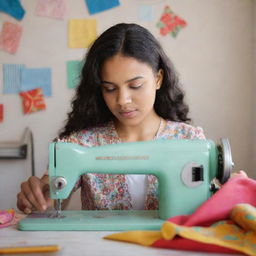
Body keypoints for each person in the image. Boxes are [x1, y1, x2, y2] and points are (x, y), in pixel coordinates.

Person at [17, 23, 206, 214]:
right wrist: (38, 197)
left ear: (158, 79)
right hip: (98, 244)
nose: (123, 101)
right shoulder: (80, 144)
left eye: (135, 85)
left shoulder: (189, 141)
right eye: (110, 88)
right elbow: (54, 199)